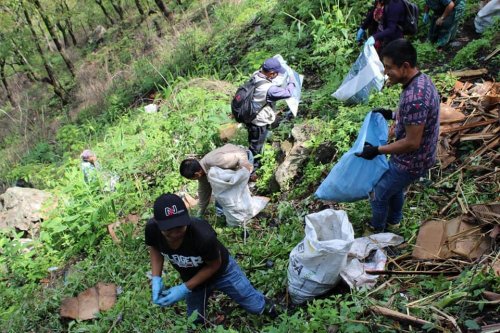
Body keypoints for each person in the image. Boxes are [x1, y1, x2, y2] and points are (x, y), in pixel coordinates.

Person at [145, 193, 276, 325]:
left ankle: (268, 306)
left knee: (255, 305)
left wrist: (184, 288)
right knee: (194, 318)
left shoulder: (202, 235)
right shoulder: (152, 229)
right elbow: (155, 248)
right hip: (192, 277)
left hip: (222, 272)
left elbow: (214, 264)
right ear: (157, 222)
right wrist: (156, 278)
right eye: (168, 230)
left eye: (179, 227)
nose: (174, 234)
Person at [355, 39, 440, 233]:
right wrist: (392, 114)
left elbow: (411, 142)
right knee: (394, 188)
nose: (385, 73)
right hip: (423, 154)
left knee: (378, 193)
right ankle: (394, 221)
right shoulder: (421, 81)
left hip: (412, 160)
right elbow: (419, 119)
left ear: (405, 66)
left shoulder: (414, 98)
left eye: (388, 68)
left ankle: (377, 229)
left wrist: (377, 150)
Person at [246, 57, 296, 169]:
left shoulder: (256, 75)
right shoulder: (269, 89)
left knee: (254, 141)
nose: (278, 75)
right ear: (272, 74)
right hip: (258, 121)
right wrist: (292, 80)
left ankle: (254, 162)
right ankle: (253, 169)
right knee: (256, 147)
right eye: (277, 73)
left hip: (251, 116)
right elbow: (288, 93)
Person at [180, 144, 254, 217]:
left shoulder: (215, 161)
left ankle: (244, 215)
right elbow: (204, 192)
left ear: (196, 174)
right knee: (221, 193)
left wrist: (245, 170)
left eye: (192, 179)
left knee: (234, 195)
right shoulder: (202, 173)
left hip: (244, 159)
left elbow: (240, 154)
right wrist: (200, 213)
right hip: (232, 168)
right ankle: (222, 217)